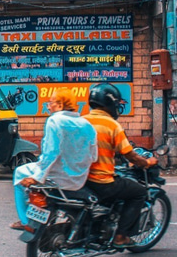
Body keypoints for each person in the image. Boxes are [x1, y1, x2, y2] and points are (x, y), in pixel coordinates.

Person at [10, 88, 98, 231]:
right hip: (78, 180)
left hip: (56, 177)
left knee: (19, 173)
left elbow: (51, 153)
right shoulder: (87, 125)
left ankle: (25, 220)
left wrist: (37, 177)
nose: (48, 106)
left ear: (60, 105)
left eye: (50, 102)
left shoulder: (55, 121)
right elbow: (93, 156)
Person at [83, 83, 156, 248]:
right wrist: (146, 162)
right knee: (139, 192)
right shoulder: (112, 125)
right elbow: (128, 153)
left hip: (80, 179)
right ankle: (121, 236)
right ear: (109, 104)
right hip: (101, 182)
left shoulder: (82, 121)